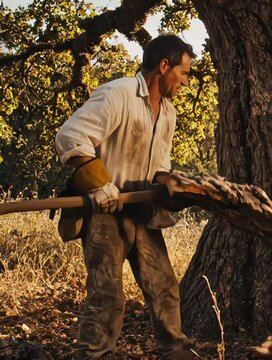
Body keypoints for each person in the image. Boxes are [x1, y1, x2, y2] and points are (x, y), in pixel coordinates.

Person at [55, 34, 197, 360]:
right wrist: (99, 182)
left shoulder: (169, 113)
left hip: (142, 209)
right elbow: (71, 136)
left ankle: (175, 353)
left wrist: (169, 182)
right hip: (105, 212)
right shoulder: (118, 94)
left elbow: (159, 164)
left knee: (164, 288)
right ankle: (93, 356)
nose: (186, 82)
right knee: (106, 297)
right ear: (164, 66)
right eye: (184, 72)